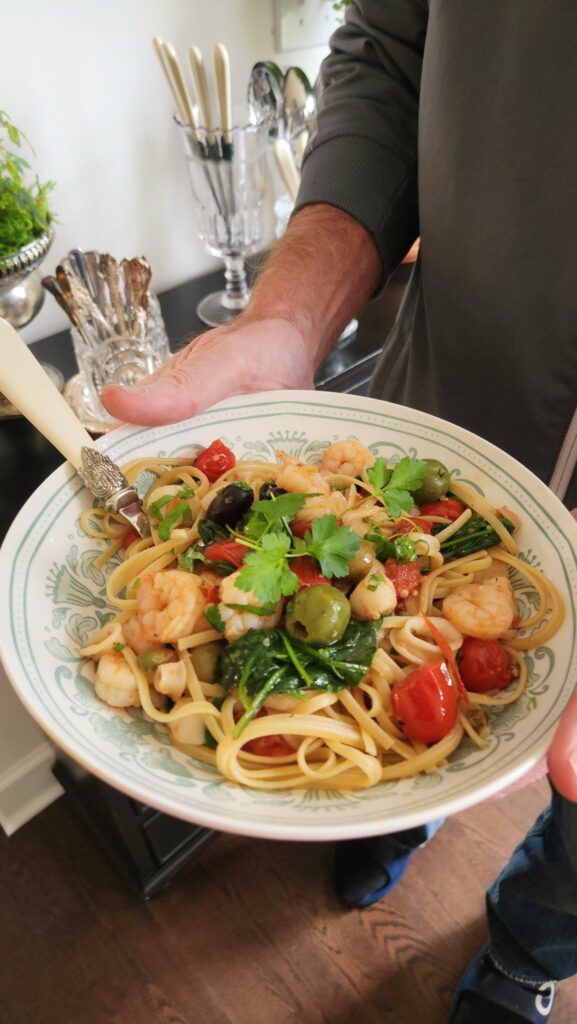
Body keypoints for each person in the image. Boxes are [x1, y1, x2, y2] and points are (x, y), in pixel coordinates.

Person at [102, 3, 577, 1020]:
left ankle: (526, 954)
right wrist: (287, 315)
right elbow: (390, 47)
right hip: (437, 414)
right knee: (396, 718)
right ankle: (394, 814)